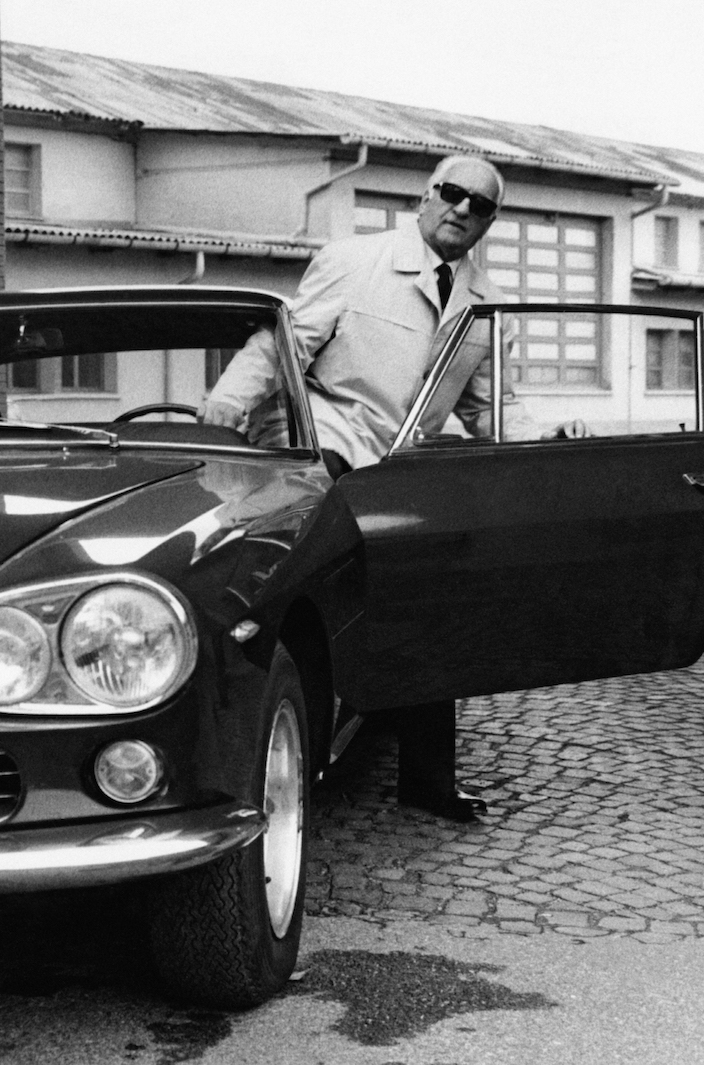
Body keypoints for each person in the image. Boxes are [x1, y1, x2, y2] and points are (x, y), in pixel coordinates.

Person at [202, 154, 580, 821]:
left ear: (490, 222)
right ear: (425, 196)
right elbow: (280, 344)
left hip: (402, 467)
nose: (464, 210)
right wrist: (226, 407)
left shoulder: (486, 307)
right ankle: (273, 736)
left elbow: (491, 406)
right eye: (454, 194)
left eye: (482, 205)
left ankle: (428, 780)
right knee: (297, 587)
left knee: (427, 599)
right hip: (332, 446)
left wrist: (544, 439)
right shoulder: (355, 260)